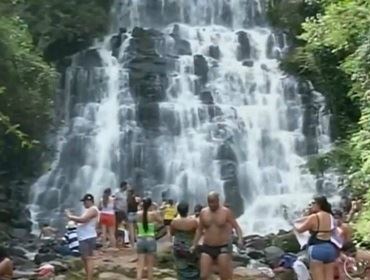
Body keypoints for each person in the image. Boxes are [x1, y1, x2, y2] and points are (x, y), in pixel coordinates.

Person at [191, 191, 243, 280]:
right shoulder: (203, 212)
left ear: (218, 201)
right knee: (203, 276)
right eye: (209, 202)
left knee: (224, 277)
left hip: (222, 247)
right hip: (207, 247)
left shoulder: (226, 212)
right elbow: (199, 230)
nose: (211, 204)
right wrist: (194, 244)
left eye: (213, 202)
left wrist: (240, 239)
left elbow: (237, 227)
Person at [294, 196, 341, 280]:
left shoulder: (314, 217)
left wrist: (294, 224)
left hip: (317, 249)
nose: (310, 206)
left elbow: (300, 230)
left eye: (312, 203)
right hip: (329, 248)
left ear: (319, 204)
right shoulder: (330, 216)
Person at [65, 193, 99, 280]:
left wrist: (70, 216)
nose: (83, 204)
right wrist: (74, 217)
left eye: (84, 202)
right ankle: (88, 276)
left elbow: (83, 220)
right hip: (84, 237)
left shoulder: (93, 209)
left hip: (88, 237)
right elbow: (81, 221)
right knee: (84, 258)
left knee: (88, 258)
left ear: (89, 201)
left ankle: (89, 277)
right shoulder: (88, 210)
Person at [171, 201, 200, 280]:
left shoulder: (174, 222)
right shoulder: (193, 222)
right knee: (194, 266)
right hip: (189, 247)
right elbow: (197, 234)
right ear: (187, 210)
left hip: (178, 247)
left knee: (180, 268)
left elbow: (172, 233)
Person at [136, 197, 162, 280]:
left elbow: (135, 224)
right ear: (150, 205)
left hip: (140, 239)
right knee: (150, 267)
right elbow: (161, 221)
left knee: (140, 265)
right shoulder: (153, 214)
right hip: (150, 239)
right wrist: (156, 207)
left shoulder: (138, 214)